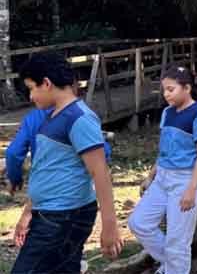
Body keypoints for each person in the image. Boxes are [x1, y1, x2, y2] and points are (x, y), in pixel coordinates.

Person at [11, 53, 123, 274]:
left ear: (47, 83)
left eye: (32, 88)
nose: (31, 97)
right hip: (50, 213)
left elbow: (100, 172)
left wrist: (110, 226)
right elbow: (47, 169)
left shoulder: (79, 118)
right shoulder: (52, 116)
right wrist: (28, 212)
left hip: (64, 217)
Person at [128, 65, 197, 274]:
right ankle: (172, 264)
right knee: (139, 223)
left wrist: (191, 190)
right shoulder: (167, 113)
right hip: (163, 177)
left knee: (178, 239)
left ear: (187, 88)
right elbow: (165, 149)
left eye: (171, 89)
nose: (166, 94)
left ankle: (174, 266)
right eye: (164, 89)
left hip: (187, 180)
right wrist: (151, 177)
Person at [6, 108, 113, 193]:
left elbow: (13, 153)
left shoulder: (33, 118)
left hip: (44, 188)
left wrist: (14, 179)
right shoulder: (78, 114)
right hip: (76, 191)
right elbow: (101, 151)